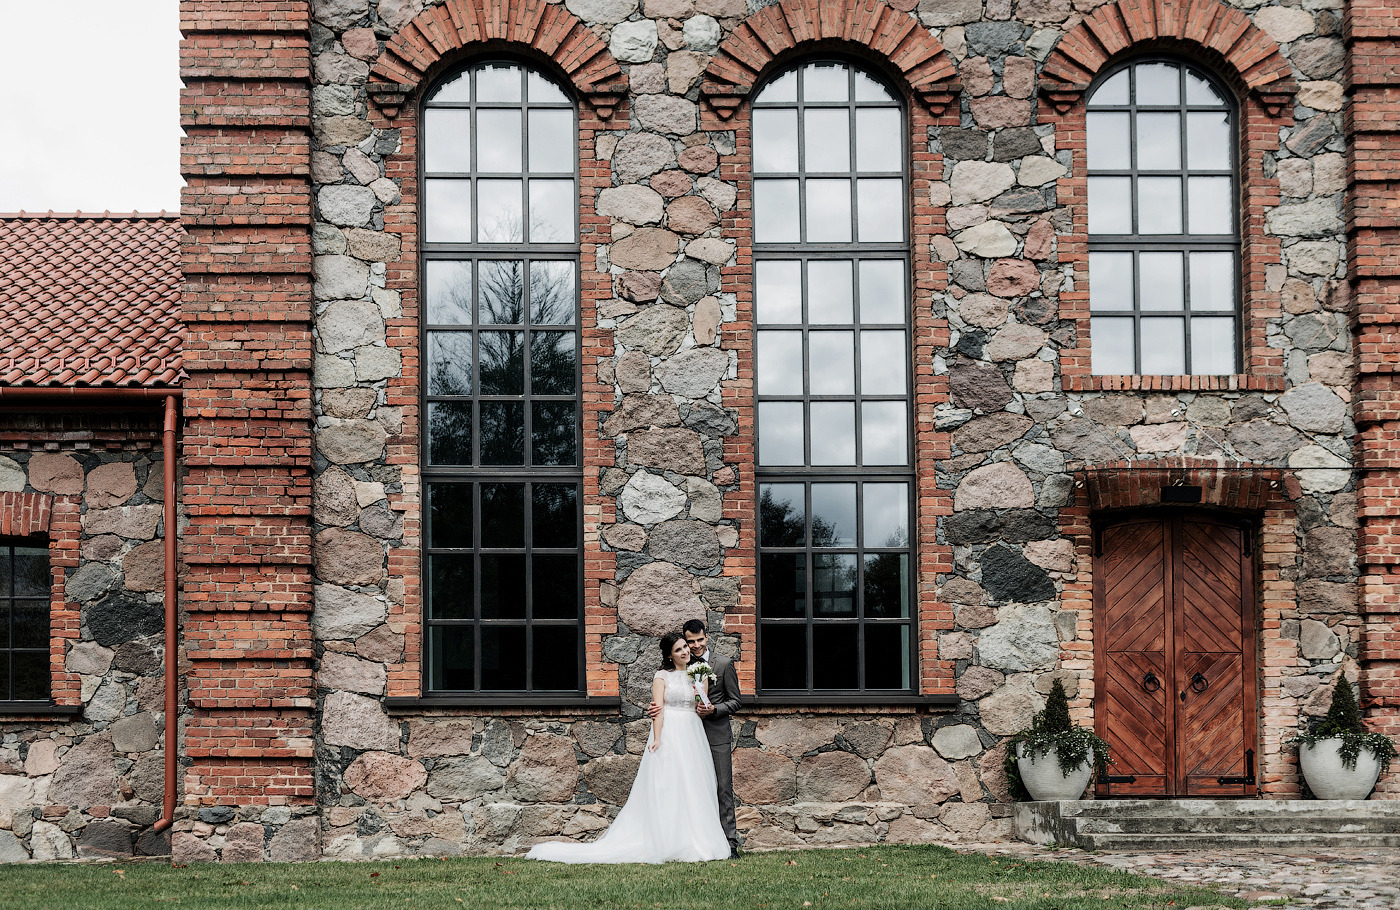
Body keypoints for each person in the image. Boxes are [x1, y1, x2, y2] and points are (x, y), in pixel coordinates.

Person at [525, 633, 730, 864]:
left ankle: (699, 839)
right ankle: (670, 839)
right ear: (670, 656)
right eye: (678, 650)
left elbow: (701, 704)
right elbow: (659, 709)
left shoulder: (700, 673)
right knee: (670, 784)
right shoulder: (662, 676)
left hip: (693, 731)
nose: (685, 651)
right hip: (672, 730)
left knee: (695, 783)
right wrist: (658, 738)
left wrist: (705, 704)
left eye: (685, 647)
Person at [648, 618, 743, 858]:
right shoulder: (677, 669)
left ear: (706, 637)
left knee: (722, 788)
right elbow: (666, 700)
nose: (695, 646)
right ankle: (689, 841)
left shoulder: (722, 664)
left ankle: (729, 843)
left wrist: (715, 710)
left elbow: (736, 701)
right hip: (685, 736)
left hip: (715, 734)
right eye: (690, 642)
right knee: (689, 788)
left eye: (699, 640)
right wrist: (656, 711)